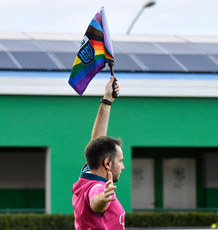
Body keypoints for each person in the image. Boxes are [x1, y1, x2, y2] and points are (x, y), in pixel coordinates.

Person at [72, 76, 125, 229]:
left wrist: (107, 100)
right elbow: (96, 202)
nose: (123, 167)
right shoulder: (96, 187)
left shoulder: (87, 177)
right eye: (120, 161)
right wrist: (103, 197)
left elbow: (97, 142)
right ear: (107, 163)